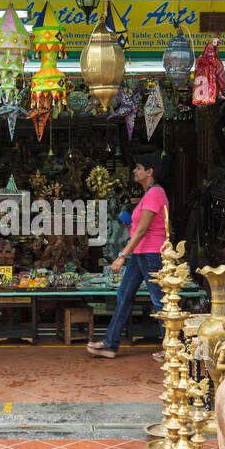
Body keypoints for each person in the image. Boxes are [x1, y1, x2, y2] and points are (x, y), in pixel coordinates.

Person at [88, 154, 169, 359]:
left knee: (160, 300)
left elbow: (142, 230)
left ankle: (173, 348)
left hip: (151, 253)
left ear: (149, 172)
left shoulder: (155, 194)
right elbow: (138, 229)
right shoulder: (148, 195)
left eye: (138, 167)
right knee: (123, 295)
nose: (134, 171)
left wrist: (121, 255)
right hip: (141, 253)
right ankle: (110, 344)